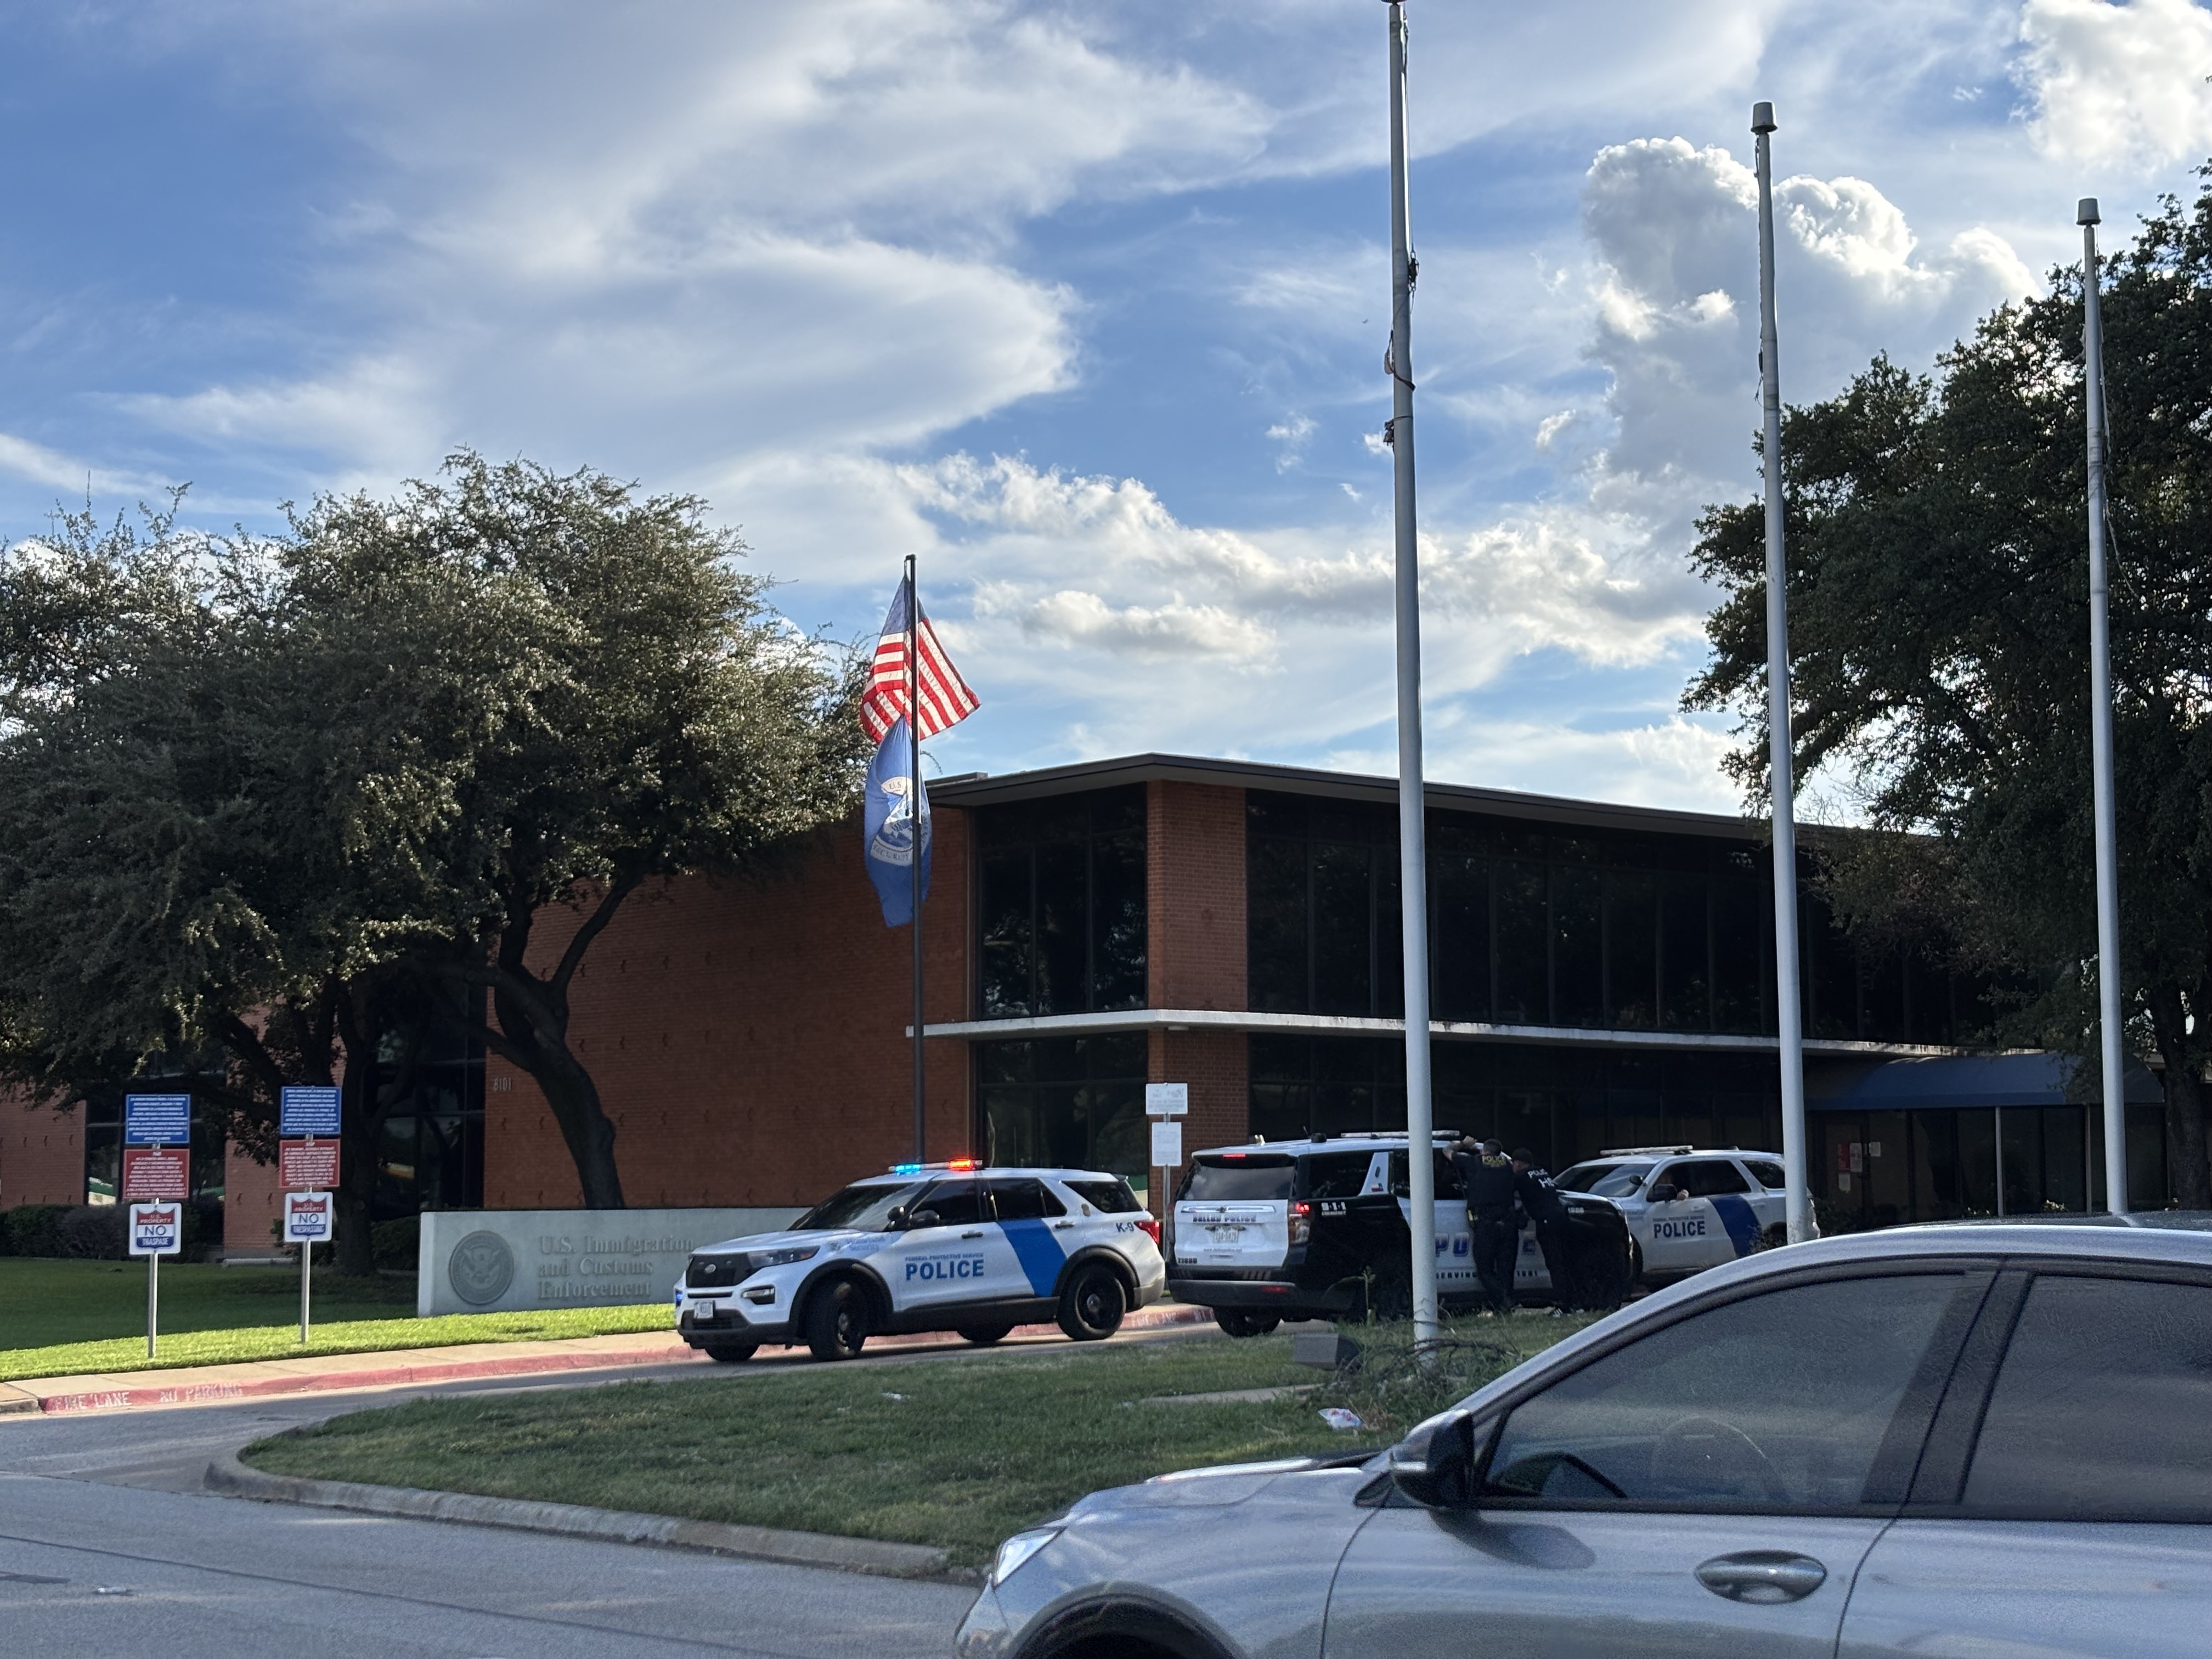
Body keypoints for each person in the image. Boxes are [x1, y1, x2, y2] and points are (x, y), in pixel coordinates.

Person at [1452, 1136, 1520, 1316]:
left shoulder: (1474, 1163)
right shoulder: (1508, 1165)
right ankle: (1505, 1306)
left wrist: (1464, 1145)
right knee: (1506, 1268)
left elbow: (1446, 1151)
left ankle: (1503, 1300)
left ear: (1483, 1152)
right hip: (1508, 1224)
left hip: (1486, 1225)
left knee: (1485, 1268)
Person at [1511, 1147, 1576, 1315]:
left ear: (1518, 1163)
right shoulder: (1542, 1172)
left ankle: (1563, 1305)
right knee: (1564, 1261)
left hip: (1547, 1222)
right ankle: (1573, 1301)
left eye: (1513, 1163)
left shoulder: (1520, 1177)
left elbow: (1506, 1191)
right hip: (1561, 1218)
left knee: (1554, 1263)